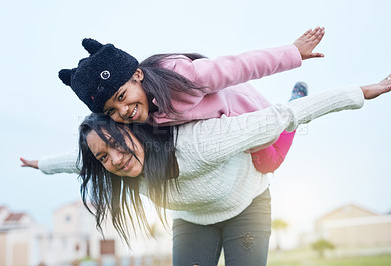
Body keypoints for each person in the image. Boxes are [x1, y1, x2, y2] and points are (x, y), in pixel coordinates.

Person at [28, 74, 391, 265]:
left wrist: (359, 92)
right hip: (193, 220)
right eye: (104, 157)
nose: (116, 159)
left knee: (277, 143)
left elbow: (281, 118)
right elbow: (73, 162)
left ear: (135, 130)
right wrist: (39, 164)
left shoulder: (200, 142)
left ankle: (294, 91)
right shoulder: (113, 165)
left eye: (118, 145)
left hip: (247, 201)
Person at [21, 27, 325, 174]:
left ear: (137, 74)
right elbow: (98, 150)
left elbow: (240, 65)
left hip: (249, 115)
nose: (123, 111)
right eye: (111, 111)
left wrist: (293, 52)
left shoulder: (183, 77)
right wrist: (42, 164)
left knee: (267, 163)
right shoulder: (136, 120)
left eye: (122, 97)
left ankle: (294, 103)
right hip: (222, 135)